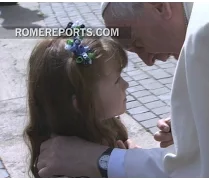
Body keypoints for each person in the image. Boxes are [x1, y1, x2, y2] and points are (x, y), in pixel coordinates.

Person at [36, 2, 209, 178]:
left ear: (159, 6)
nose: (147, 61)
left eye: (136, 42)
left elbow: (204, 173)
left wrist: (95, 159)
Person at [23, 30, 141, 178]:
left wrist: (131, 159)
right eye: (117, 80)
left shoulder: (106, 127)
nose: (126, 84)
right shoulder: (63, 167)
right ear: (82, 103)